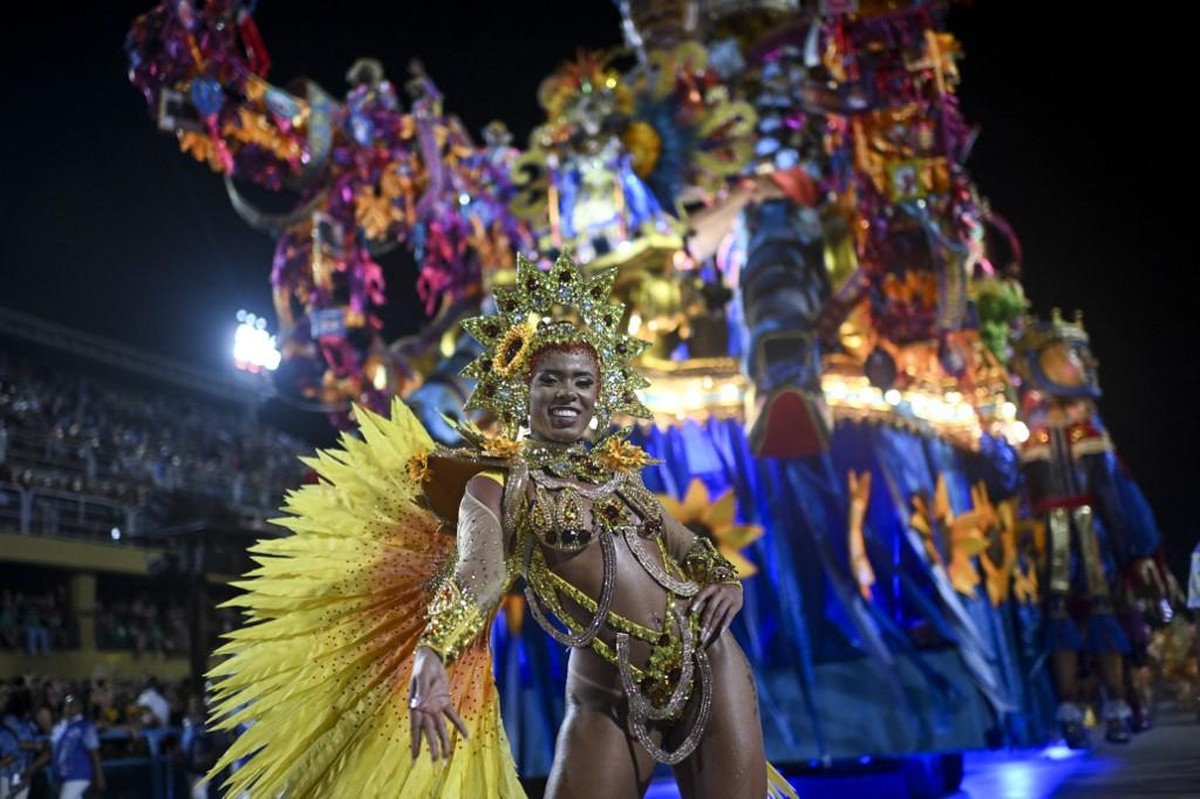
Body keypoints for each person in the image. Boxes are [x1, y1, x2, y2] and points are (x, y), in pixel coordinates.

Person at [205, 253, 795, 798]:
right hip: (606, 697)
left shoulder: (622, 477)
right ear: (521, 390)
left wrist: (727, 582)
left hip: (706, 663)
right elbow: (478, 572)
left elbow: (691, 548)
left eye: (582, 381)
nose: (568, 392)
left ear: (601, 396)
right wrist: (434, 653)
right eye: (551, 379)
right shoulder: (501, 484)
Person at [1012, 310, 1163, 748]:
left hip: (1085, 531)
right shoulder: (1036, 426)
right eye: (1069, 356)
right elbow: (1025, 489)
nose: (1080, 364)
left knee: (1097, 613)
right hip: (1061, 533)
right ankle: (1074, 711)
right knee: (1063, 614)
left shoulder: (1077, 425)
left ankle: (1111, 706)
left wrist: (1134, 548)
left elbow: (1114, 492)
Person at [50, 695, 104, 799]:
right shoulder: (60, 727)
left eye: (72, 704)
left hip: (78, 773)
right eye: (66, 705)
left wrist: (99, 775)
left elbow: (93, 752)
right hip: (60, 774)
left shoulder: (86, 726)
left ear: (80, 707)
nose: (68, 707)